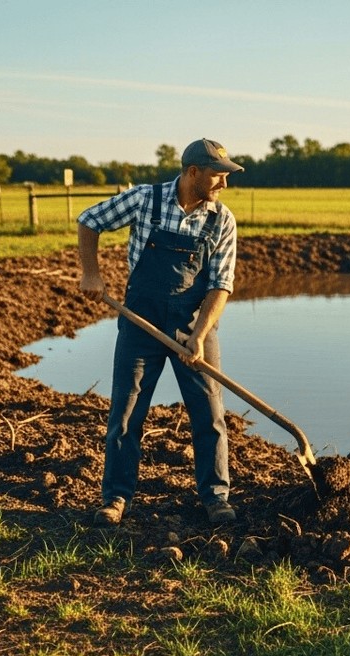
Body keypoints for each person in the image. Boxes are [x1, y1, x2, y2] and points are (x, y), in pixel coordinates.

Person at [77, 138, 244, 525]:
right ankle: (116, 498)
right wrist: (91, 273)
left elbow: (221, 285)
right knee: (126, 412)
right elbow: (89, 220)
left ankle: (215, 497)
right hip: (141, 321)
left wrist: (198, 336)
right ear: (192, 172)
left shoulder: (222, 220)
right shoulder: (145, 200)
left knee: (209, 414)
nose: (224, 184)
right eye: (218, 175)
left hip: (193, 325)